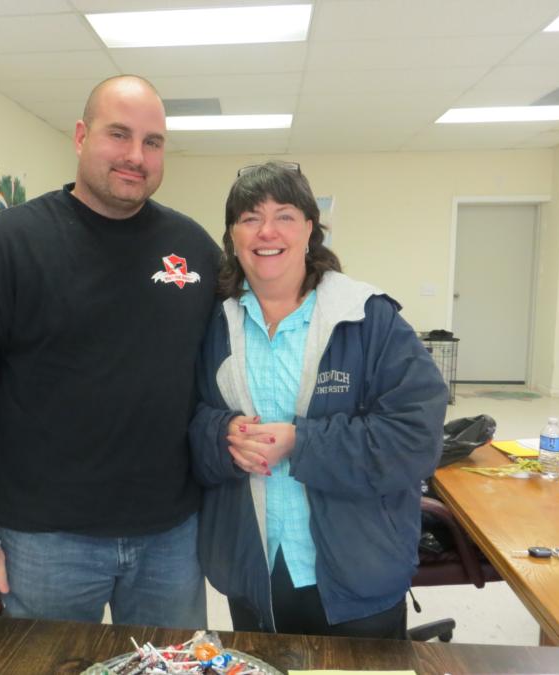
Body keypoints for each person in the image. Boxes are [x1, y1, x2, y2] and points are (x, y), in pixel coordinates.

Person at [0, 75, 220, 629]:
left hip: (170, 536)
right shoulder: (4, 246)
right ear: (80, 136)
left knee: (172, 667)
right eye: (118, 134)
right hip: (44, 541)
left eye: (152, 142)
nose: (136, 156)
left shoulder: (193, 248)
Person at [189, 161, 447, 639]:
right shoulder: (211, 323)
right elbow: (187, 420)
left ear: (310, 229)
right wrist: (221, 435)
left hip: (358, 573)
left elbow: (416, 437)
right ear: (232, 236)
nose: (267, 231)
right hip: (253, 570)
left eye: (284, 216)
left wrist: (300, 443)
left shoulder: (367, 317)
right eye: (250, 218)